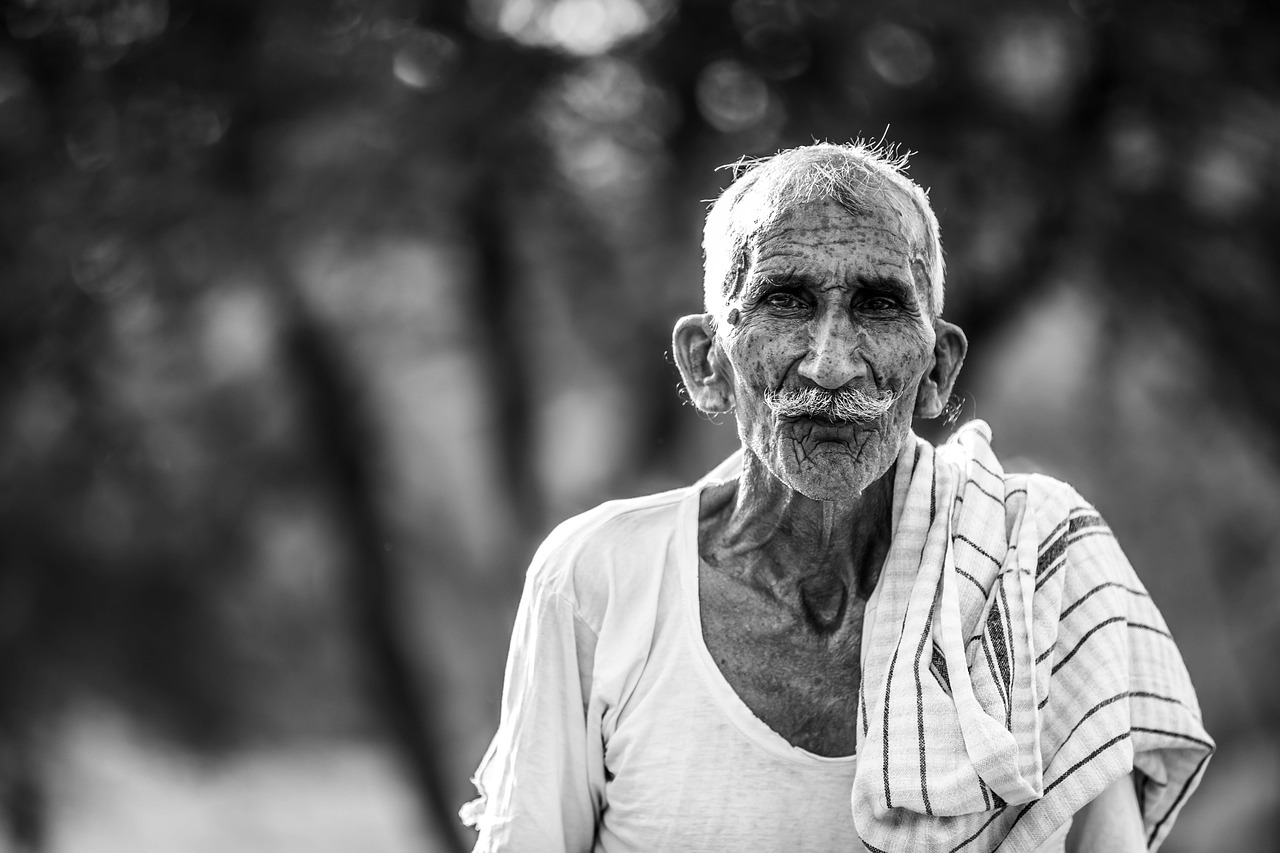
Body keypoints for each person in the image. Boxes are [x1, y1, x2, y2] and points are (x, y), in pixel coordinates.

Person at [460, 142, 1212, 852]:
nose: (829, 364)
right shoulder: (598, 576)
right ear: (706, 363)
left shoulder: (1033, 570)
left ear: (939, 370)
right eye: (784, 300)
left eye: (879, 305)